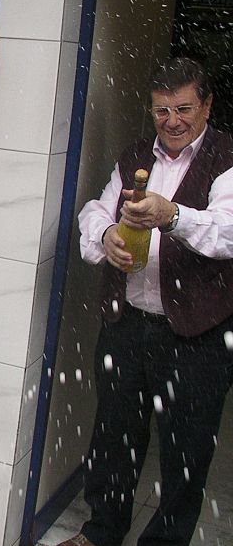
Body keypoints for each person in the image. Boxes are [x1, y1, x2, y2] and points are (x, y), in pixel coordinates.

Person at [61, 57, 233, 546]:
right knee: (114, 435)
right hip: (128, 323)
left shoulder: (226, 158)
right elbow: (95, 209)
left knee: (187, 450)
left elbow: (228, 232)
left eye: (183, 108)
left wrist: (173, 215)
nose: (172, 121)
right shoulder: (136, 155)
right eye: (162, 111)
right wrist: (107, 232)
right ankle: (100, 532)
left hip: (198, 334)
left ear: (206, 106)